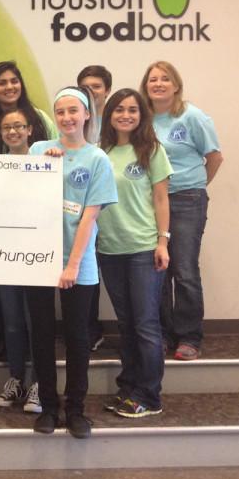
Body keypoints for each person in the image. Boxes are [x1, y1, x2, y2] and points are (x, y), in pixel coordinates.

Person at [26, 87, 117, 439]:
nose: (67, 118)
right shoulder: (38, 150)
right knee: (42, 335)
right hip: (37, 261)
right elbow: (19, 198)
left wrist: (73, 265)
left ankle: (76, 409)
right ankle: (48, 407)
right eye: (60, 112)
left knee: (78, 337)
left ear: (87, 115)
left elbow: (88, 218)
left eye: (73, 111)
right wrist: (41, 169)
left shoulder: (98, 160)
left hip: (79, 264)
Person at [97, 88, 173, 418]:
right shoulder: (101, 151)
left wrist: (163, 241)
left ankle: (149, 395)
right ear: (109, 114)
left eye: (132, 109)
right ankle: (128, 387)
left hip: (143, 248)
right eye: (119, 109)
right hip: (109, 249)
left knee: (145, 325)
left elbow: (161, 199)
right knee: (126, 324)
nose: (126, 114)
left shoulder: (152, 150)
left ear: (141, 115)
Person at [141, 61, 223, 361]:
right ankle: (161, 333)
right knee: (156, 268)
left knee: (184, 270)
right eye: (153, 79)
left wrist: (196, 186)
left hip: (187, 200)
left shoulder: (192, 116)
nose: (158, 84)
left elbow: (214, 157)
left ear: (176, 85)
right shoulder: (142, 118)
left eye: (165, 79)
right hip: (149, 202)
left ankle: (189, 337)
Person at [0, 109, 42, 415]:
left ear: (30, 129)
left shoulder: (46, 162)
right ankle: (16, 379)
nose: (13, 132)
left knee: (36, 322)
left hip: (38, 257)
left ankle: (39, 384)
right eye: (7, 127)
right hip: (4, 257)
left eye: (19, 126)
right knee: (11, 323)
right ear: (0, 132)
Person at [76, 65, 113, 352]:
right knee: (85, 269)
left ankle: (96, 330)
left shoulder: (116, 121)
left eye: (96, 86)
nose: (91, 91)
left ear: (107, 90)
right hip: (80, 213)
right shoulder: (73, 122)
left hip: (113, 212)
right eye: (85, 86)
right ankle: (85, 329)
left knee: (105, 273)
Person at [0, 61, 57, 152]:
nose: (9, 87)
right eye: (2, 83)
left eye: (14, 81)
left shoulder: (39, 117)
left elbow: (56, 150)